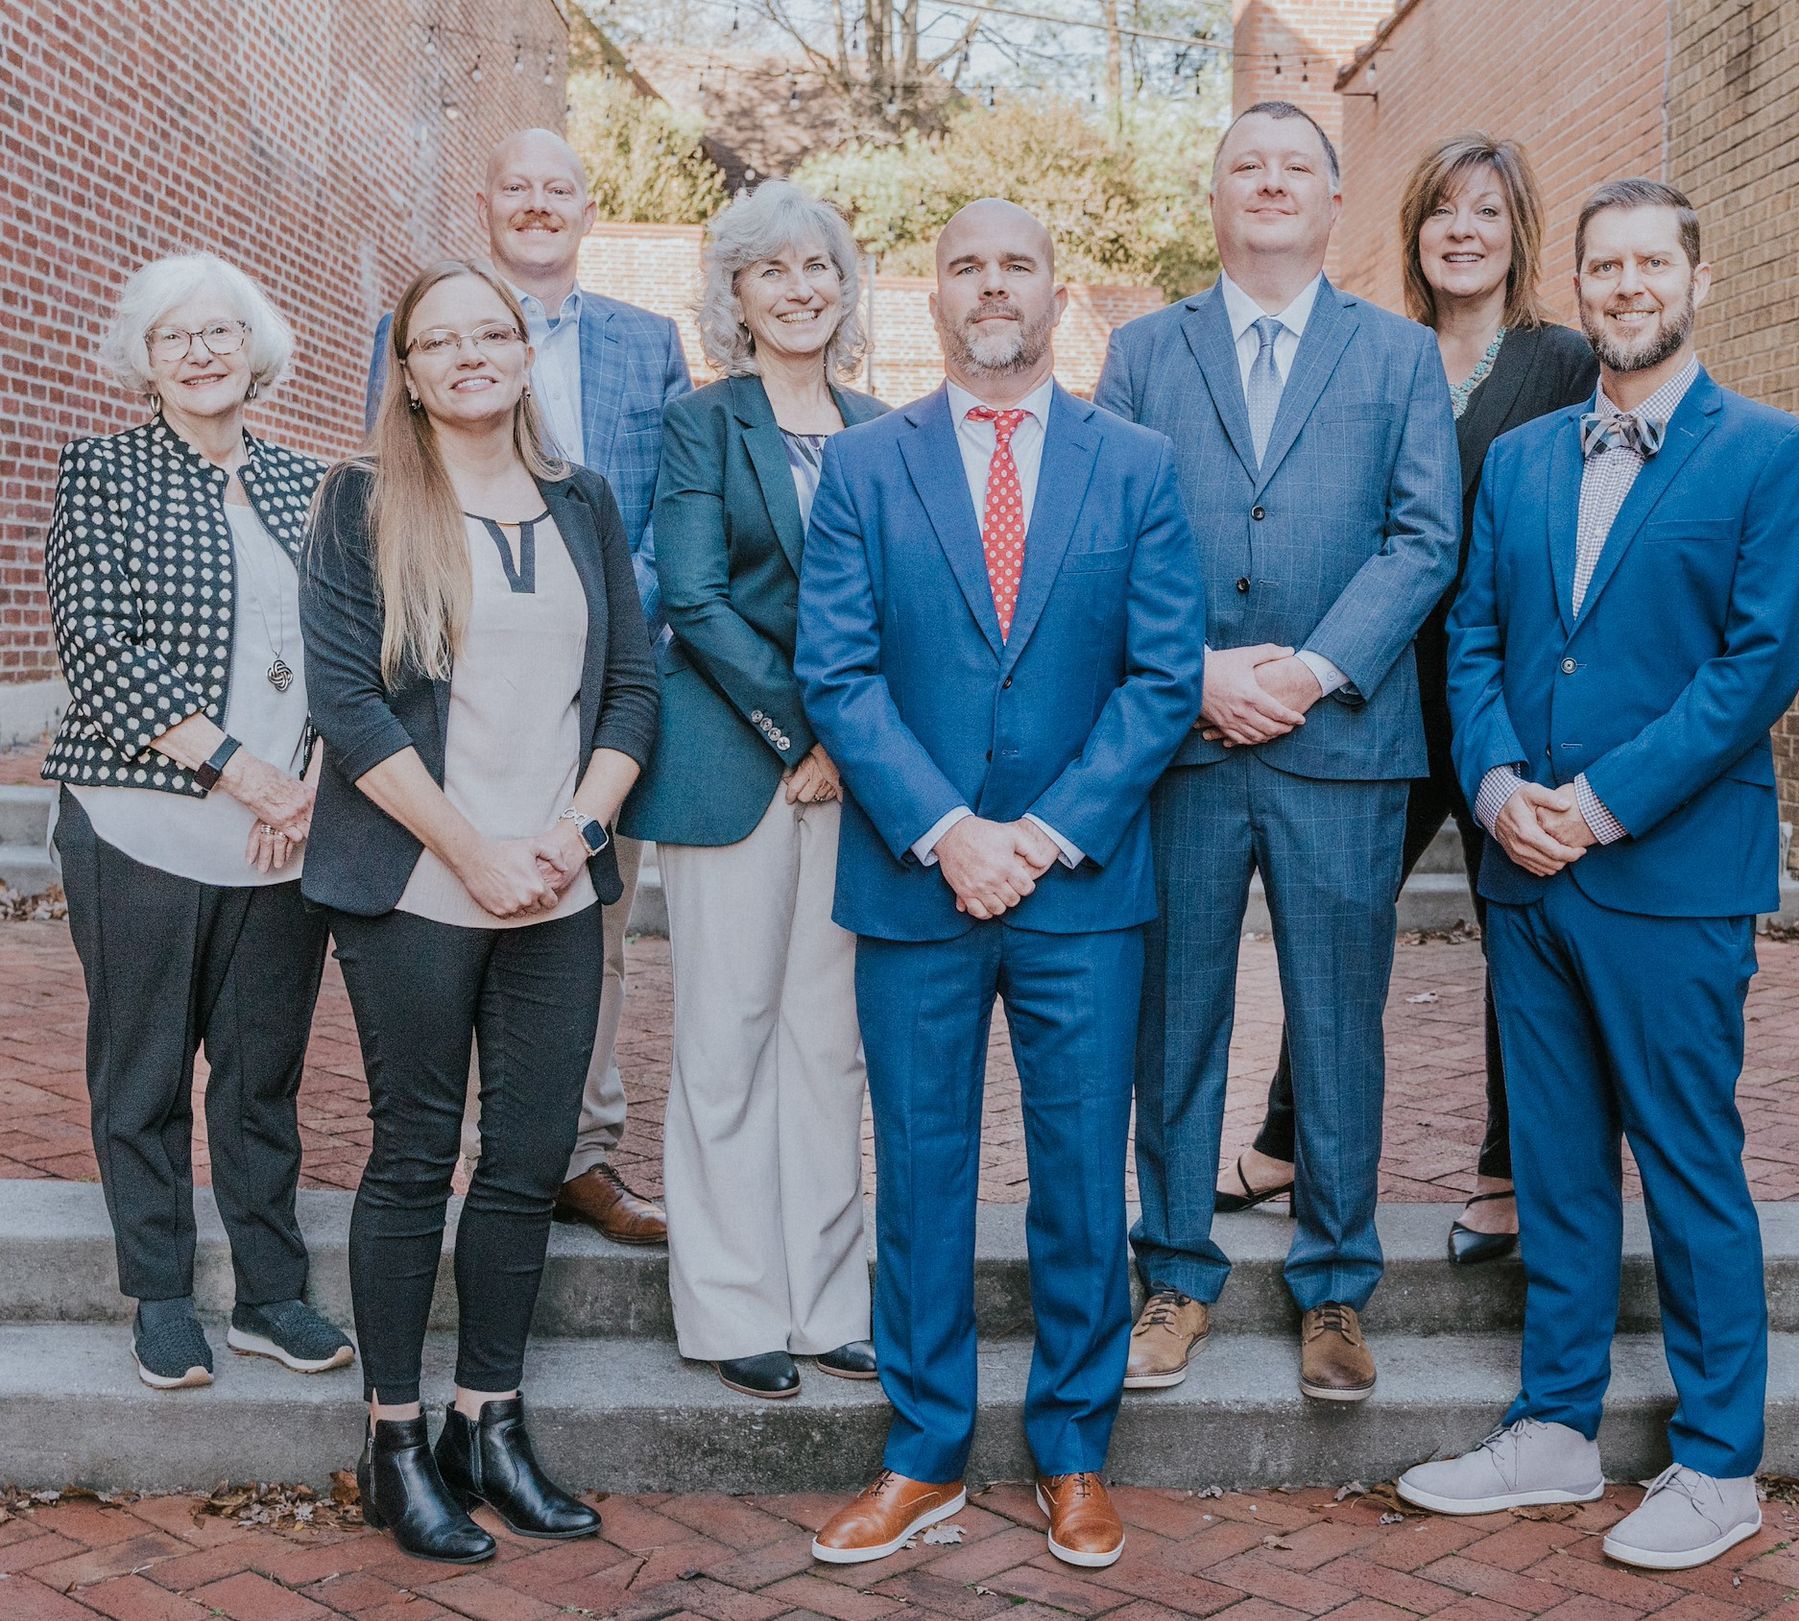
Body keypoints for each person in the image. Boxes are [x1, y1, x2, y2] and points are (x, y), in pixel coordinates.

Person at [1396, 180, 1799, 1571]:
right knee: (1561, 1167)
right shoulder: (1519, 460)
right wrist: (1501, 782)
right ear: (1576, 285)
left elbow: (1754, 666)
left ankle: (1719, 1462)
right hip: (1527, 876)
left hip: (1672, 876)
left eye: (1653, 261)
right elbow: (1472, 636)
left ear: (1698, 275)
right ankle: (1553, 1428)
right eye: (1605, 265)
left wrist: (1597, 802)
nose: (1627, 283)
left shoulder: (1772, 454)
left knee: (1690, 1164)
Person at [796, 199, 1204, 1569]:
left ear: (1057, 289)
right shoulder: (862, 466)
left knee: (1084, 1180)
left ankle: (1075, 1450)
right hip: (917, 886)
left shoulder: (1138, 465)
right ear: (932, 297)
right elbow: (837, 673)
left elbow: (1163, 678)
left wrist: (1040, 833)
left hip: (1081, 888)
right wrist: (946, 829)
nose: (990, 285)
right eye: (963, 263)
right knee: (920, 1176)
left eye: (1015, 263)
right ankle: (923, 1455)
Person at [1096, 102, 1458, 1400]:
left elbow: (1423, 540)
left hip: (1344, 744)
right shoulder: (1143, 351)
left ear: (1333, 202)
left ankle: (1337, 1288)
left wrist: (1305, 671)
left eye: (1294, 166)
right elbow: (1106, 533)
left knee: (1338, 1024)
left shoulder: (1398, 357)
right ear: (1214, 196)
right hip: (1181, 746)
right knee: (1175, 1019)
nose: (1269, 182)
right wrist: (1193, 673)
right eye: (1246, 164)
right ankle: (1175, 1276)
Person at [305, 259, 657, 1564]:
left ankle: (486, 1419)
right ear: (406, 370)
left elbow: (630, 690)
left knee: (522, 1163)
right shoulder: (362, 501)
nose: (467, 356)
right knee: (412, 1158)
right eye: (436, 341)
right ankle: (394, 1438)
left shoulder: (584, 499)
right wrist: (474, 852)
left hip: (556, 886)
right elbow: (345, 705)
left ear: (523, 351)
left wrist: (568, 838)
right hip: (414, 882)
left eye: (489, 334)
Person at [1217, 133, 1597, 1267]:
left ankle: (1508, 1163)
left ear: (1518, 231)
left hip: (1501, 697)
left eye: (1487, 211)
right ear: (1414, 232)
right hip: (1375, 690)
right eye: (1442, 211)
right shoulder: (1376, 352)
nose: (1463, 231)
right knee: (1337, 926)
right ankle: (1287, 1138)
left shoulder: (1560, 362)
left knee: (1513, 930)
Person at [367, 127, 688, 1246]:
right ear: (488, 204)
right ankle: (468, 1152)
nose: (539, 204)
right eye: (519, 188)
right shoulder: (417, 332)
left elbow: (669, 509)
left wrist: (608, 609)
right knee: (448, 923)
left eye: (561, 189)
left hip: (608, 693)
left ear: (591, 210)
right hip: (457, 691)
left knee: (585, 933)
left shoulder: (649, 343)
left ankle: (578, 1152)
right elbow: (391, 489)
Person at [42, 252, 351, 1391]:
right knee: (145, 1071)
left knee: (262, 1075)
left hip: (284, 831)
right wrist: (245, 773)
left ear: (256, 345)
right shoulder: (102, 471)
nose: (204, 351)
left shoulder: (312, 485)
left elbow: (342, 649)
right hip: (144, 824)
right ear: (146, 359)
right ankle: (161, 1294)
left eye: (223, 330)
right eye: (178, 336)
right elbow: (99, 652)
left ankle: (271, 1294)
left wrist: (304, 780)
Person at [623, 181, 887, 1400]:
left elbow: (912, 612)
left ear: (845, 286)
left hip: (860, 781)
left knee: (829, 1045)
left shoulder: (887, 428)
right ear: (736, 294)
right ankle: (731, 1304)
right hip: (736, 763)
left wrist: (858, 748)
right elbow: (694, 599)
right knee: (726, 1039)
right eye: (771, 270)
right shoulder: (701, 423)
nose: (799, 287)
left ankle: (827, 1298)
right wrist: (801, 736)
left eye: (818, 266)